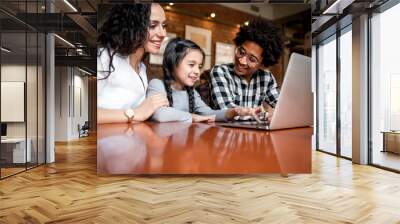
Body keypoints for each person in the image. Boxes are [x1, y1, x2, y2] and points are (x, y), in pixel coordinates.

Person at [147, 38, 260, 123]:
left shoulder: (191, 92)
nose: (197, 71)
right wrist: (193, 116)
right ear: (172, 63)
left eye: (199, 66)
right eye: (191, 65)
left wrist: (235, 111)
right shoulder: (157, 85)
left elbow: (209, 114)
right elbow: (160, 114)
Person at [97, 3, 169, 124]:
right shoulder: (105, 57)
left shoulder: (142, 68)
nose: (163, 34)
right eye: (152, 25)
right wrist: (136, 113)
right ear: (132, 26)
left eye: (163, 25)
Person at [210, 18, 284, 121]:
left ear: (262, 63)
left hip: (253, 134)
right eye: (241, 52)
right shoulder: (220, 72)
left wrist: (278, 112)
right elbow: (228, 111)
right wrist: (266, 115)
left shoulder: (266, 78)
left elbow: (282, 108)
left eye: (252, 59)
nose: (242, 61)